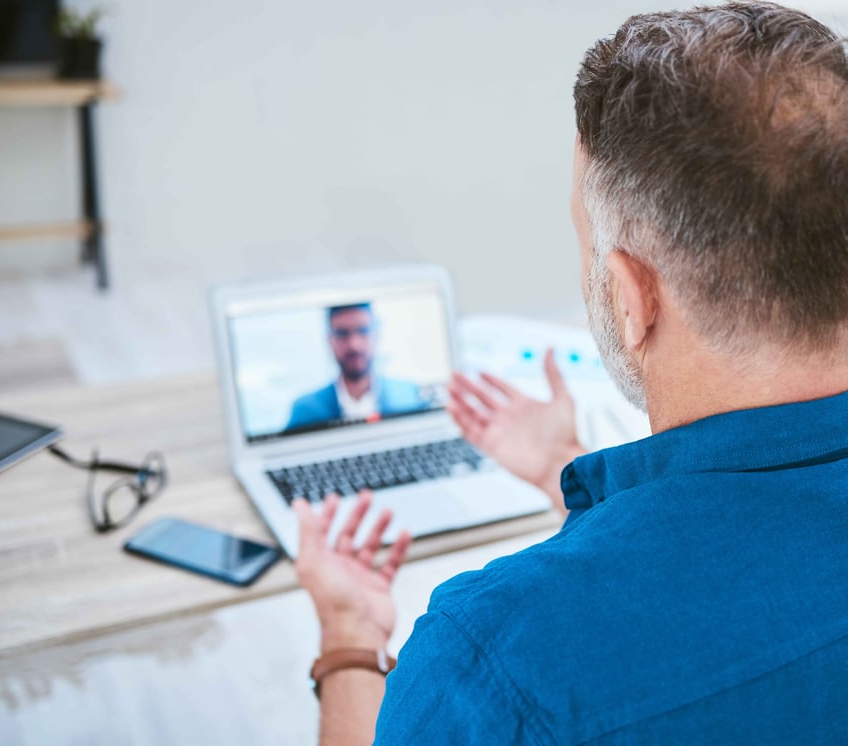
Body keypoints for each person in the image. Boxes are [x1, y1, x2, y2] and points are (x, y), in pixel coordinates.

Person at [293, 3, 848, 743]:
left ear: (629, 297)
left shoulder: (499, 661)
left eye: (585, 247)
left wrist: (349, 637)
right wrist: (563, 466)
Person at [286, 303, 425, 431]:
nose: (354, 344)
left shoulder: (411, 395)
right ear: (329, 341)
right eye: (342, 334)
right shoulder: (305, 410)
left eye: (363, 331)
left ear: (376, 335)